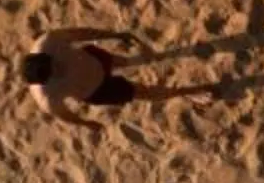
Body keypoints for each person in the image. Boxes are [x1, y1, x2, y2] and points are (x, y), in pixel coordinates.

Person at [21, 28, 215, 129]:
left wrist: (113, 35)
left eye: (53, 63)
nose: (58, 68)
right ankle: (186, 92)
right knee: (144, 93)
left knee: (123, 62)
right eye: (53, 73)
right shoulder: (46, 97)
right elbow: (65, 116)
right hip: (98, 90)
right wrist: (87, 123)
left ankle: (136, 60)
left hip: (94, 60)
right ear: (45, 82)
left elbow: (83, 33)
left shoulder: (49, 42)